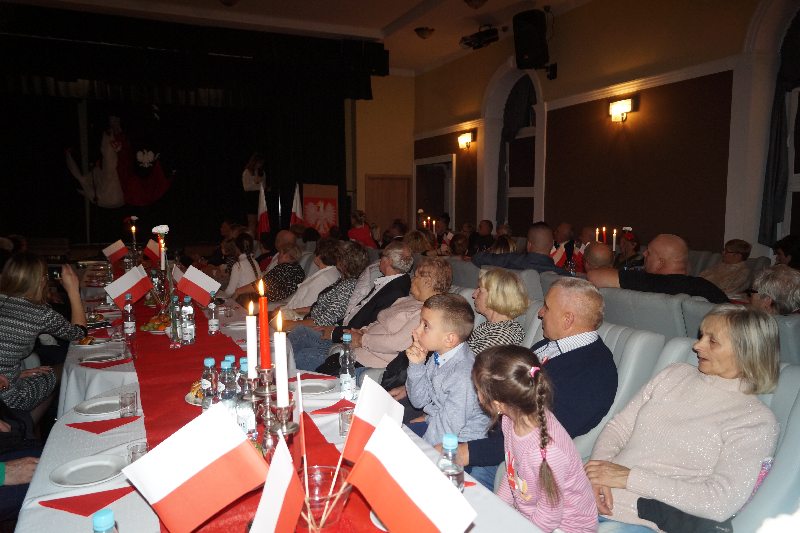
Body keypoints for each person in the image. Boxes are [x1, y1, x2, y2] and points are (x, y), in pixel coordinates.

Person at [585, 305, 779, 532]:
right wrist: (598, 475)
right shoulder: (674, 374)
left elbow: (718, 502)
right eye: (701, 336)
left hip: (637, 519)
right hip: (588, 495)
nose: (697, 346)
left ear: (746, 352)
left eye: (712, 341)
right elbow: (619, 428)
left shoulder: (755, 420)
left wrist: (629, 478)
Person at [472, 346, 598, 533]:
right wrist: (496, 509)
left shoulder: (546, 453)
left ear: (498, 404)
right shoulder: (510, 420)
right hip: (531, 515)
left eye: (478, 390)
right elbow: (513, 474)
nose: (477, 395)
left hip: (566, 527)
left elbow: (549, 517)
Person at [315, 258, 452, 375]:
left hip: (368, 366)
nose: (412, 279)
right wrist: (363, 331)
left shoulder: (428, 313)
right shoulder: (408, 300)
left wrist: (362, 339)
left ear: (427, 281)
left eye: (416, 276)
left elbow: (398, 343)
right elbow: (379, 321)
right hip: (354, 353)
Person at [0, 253, 86, 422]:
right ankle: (56, 424)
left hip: (8, 381)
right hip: (9, 396)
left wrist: (15, 373)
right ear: (41, 280)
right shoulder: (39, 313)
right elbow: (79, 334)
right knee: (70, 367)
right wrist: (73, 291)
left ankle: (35, 424)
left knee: (47, 372)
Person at [535, 277, 618, 437]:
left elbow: (542, 434)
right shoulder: (549, 344)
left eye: (547, 307)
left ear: (567, 320)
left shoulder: (593, 375)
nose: (540, 313)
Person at [406, 293, 488, 445]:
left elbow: (447, 430)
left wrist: (418, 448)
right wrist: (417, 365)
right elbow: (419, 401)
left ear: (449, 339)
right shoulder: (439, 355)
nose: (415, 331)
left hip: (461, 440)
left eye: (425, 326)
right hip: (438, 424)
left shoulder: (463, 376)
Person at [587, 234, 728, 303]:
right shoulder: (707, 288)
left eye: (649, 252)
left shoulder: (651, 282)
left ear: (660, 263)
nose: (644, 254)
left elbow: (595, 275)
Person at [472, 222, 569, 275]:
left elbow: (478, 258)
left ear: (528, 244)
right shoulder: (561, 275)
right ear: (551, 245)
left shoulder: (510, 260)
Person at [468, 268, 527, 355]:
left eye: (480, 290)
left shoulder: (503, 334)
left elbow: (472, 363)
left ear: (495, 296)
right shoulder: (491, 326)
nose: (474, 295)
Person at [283, 238, 341, 311]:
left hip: (294, 315)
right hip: (291, 310)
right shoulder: (330, 272)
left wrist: (283, 311)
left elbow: (307, 306)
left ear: (319, 256)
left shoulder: (323, 279)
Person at [220, 233, 261, 299]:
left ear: (237, 248)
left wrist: (220, 296)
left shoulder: (238, 265)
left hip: (243, 300)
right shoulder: (255, 262)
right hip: (256, 298)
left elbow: (230, 291)